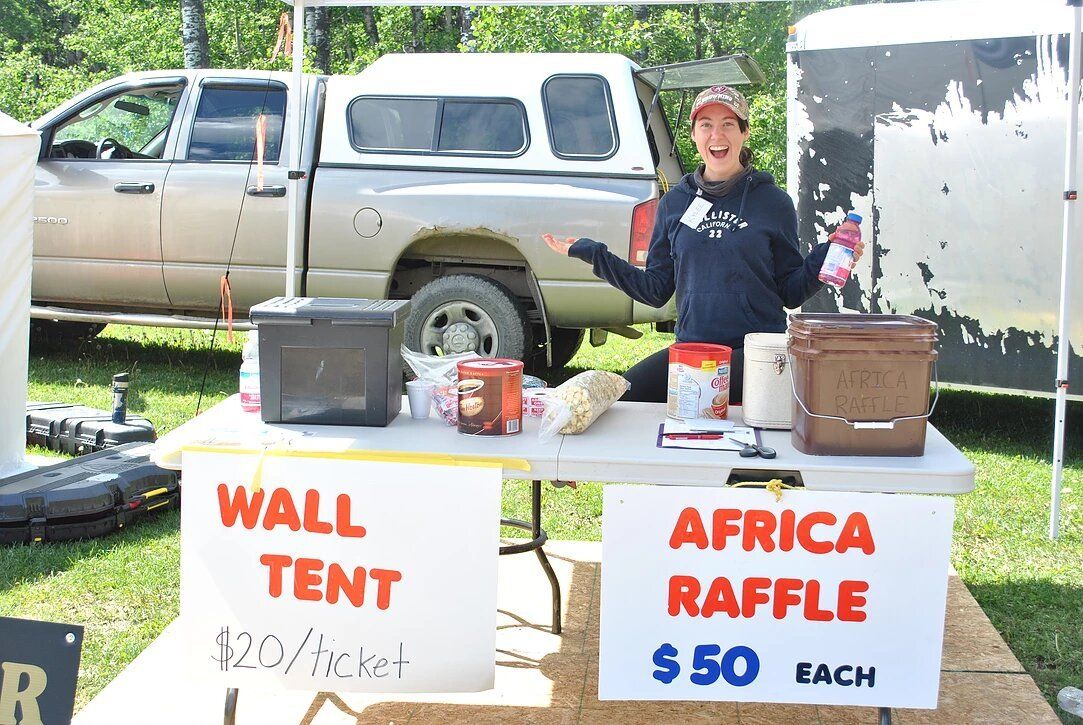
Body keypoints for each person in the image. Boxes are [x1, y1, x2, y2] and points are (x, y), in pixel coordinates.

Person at [542, 84, 865, 403]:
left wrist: (826, 257)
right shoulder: (676, 203)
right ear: (694, 134)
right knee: (626, 397)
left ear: (744, 132)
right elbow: (655, 290)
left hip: (754, 353)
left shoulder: (772, 202)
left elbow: (791, 292)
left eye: (728, 124)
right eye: (706, 125)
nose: (717, 135)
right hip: (693, 351)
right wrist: (593, 253)